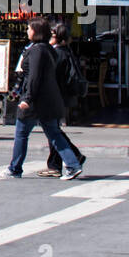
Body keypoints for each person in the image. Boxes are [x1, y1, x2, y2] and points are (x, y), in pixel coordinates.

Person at [6, 17, 83, 180]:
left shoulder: (38, 51)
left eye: (29, 28)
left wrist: (27, 98)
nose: (27, 31)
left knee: (22, 133)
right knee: (53, 133)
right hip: (47, 101)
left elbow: (34, 78)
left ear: (37, 31)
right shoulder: (47, 49)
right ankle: (72, 164)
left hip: (36, 102)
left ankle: (15, 168)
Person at [37, 21, 87, 177]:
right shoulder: (65, 51)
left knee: (53, 130)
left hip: (56, 97)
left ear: (55, 36)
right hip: (62, 96)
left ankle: (70, 156)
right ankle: (56, 164)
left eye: (50, 34)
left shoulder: (57, 53)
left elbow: (52, 77)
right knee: (53, 130)